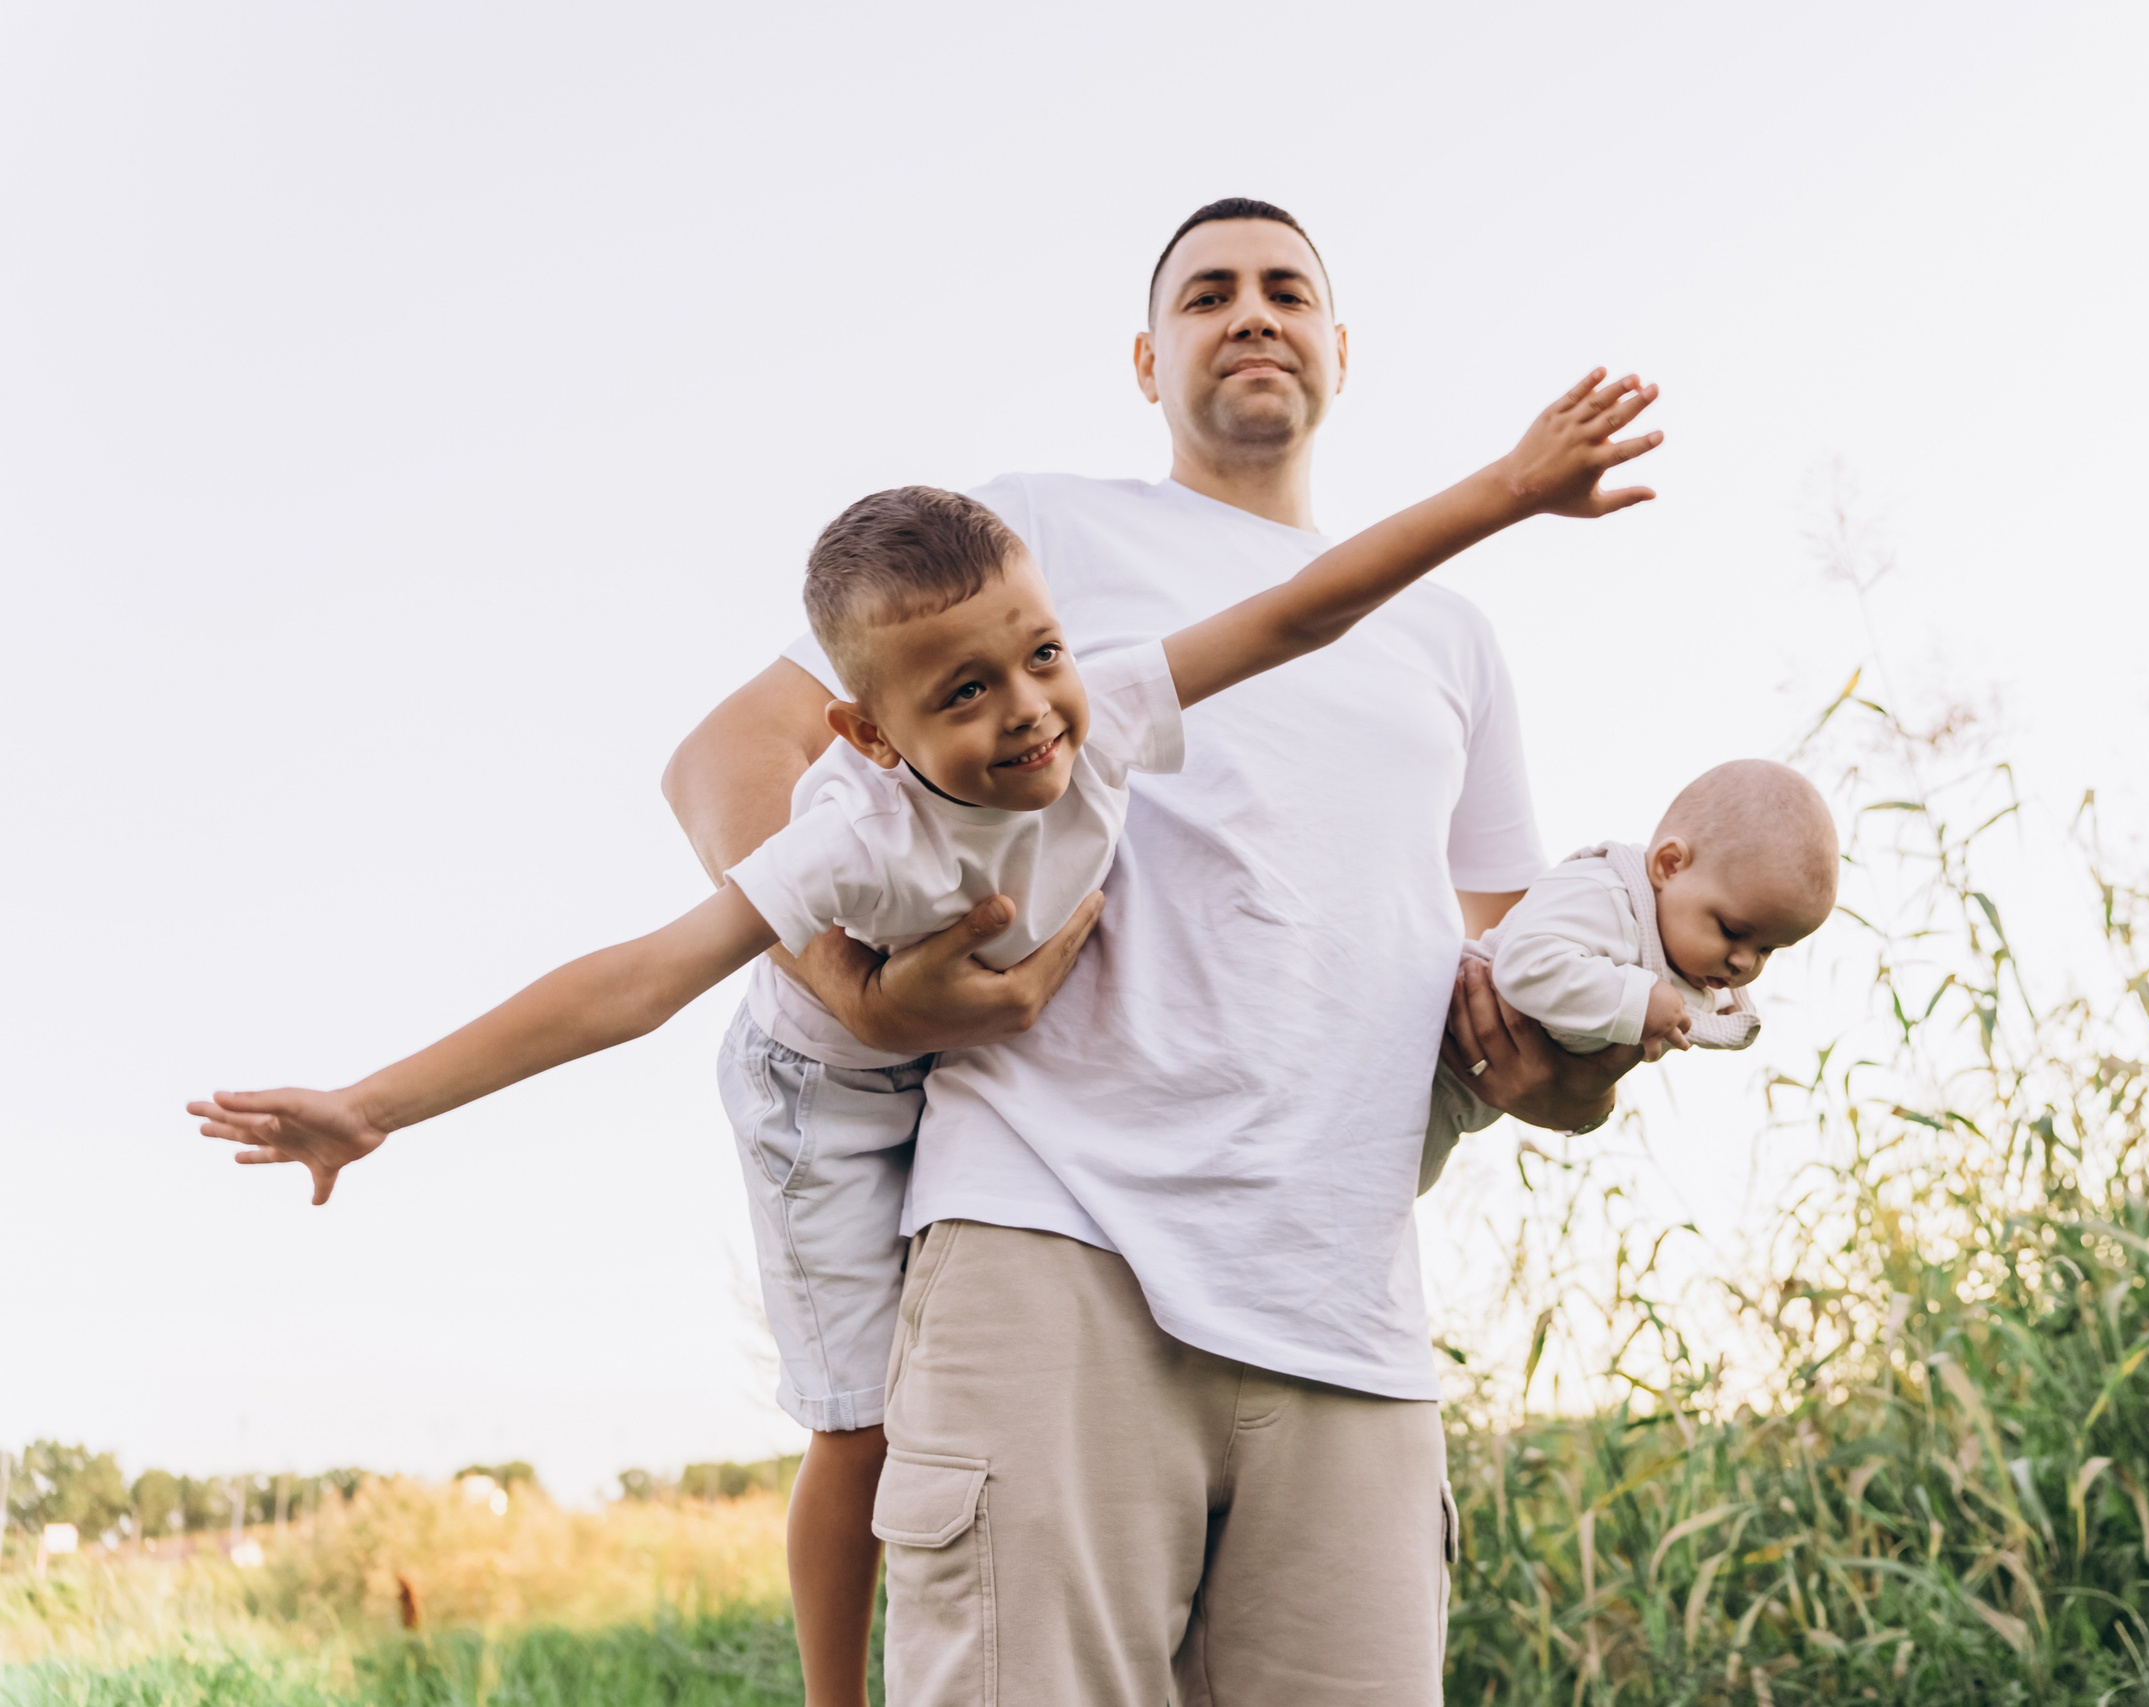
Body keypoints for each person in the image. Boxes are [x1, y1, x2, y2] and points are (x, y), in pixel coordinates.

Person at [189, 340, 1661, 1702]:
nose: (1030, 712)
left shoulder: (1109, 706)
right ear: (873, 735)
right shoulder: (857, 843)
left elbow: (1304, 607)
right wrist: (377, 1101)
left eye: (1043, 655)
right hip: (821, 1093)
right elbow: (636, 980)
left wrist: (1513, 489)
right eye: (968, 690)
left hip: (1239, 1250)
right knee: (853, 1422)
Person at [657, 196, 1656, 1706]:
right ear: (1147, 358)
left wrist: (1575, 1073)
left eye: (1284, 289)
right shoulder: (1037, 538)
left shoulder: (1451, 639)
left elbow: (1516, 994)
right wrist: (855, 985)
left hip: (1346, 1305)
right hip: (1055, 1245)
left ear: (1338, 347)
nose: (1249, 311)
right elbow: (726, 756)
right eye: (1207, 294)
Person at [1420, 759, 1839, 1191]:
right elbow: (1522, 963)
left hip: (1455, 1108)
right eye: (1733, 931)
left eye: (1768, 950)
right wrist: (1637, 1001)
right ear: (1670, 865)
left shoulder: (1682, 959)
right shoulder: (1603, 895)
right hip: (1428, 1053)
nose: (1744, 963)